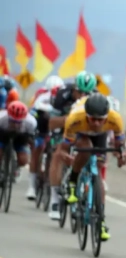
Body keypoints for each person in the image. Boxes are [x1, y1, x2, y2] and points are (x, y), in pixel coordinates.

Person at [54, 93, 126, 240]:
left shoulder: (115, 119)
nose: (97, 123)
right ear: (87, 115)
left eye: (101, 120)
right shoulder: (75, 117)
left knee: (99, 165)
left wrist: (121, 156)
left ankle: (100, 220)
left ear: (106, 117)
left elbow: (120, 146)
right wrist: (65, 155)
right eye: (93, 119)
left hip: (100, 136)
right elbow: (64, 147)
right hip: (80, 133)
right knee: (85, 148)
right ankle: (72, 182)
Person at [46, 71, 98, 220]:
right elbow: (51, 123)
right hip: (63, 128)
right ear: (73, 89)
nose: (83, 96)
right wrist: (69, 118)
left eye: (87, 93)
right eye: (79, 92)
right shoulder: (62, 95)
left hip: (83, 128)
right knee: (58, 155)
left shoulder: (95, 97)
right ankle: (55, 200)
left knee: (89, 149)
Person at [0, 102, 36, 177]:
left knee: (23, 160)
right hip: (2, 135)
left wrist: (32, 153)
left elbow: (31, 140)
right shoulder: (1, 118)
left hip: (21, 138)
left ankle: (15, 167)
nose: (15, 124)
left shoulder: (31, 122)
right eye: (12, 121)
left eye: (18, 122)